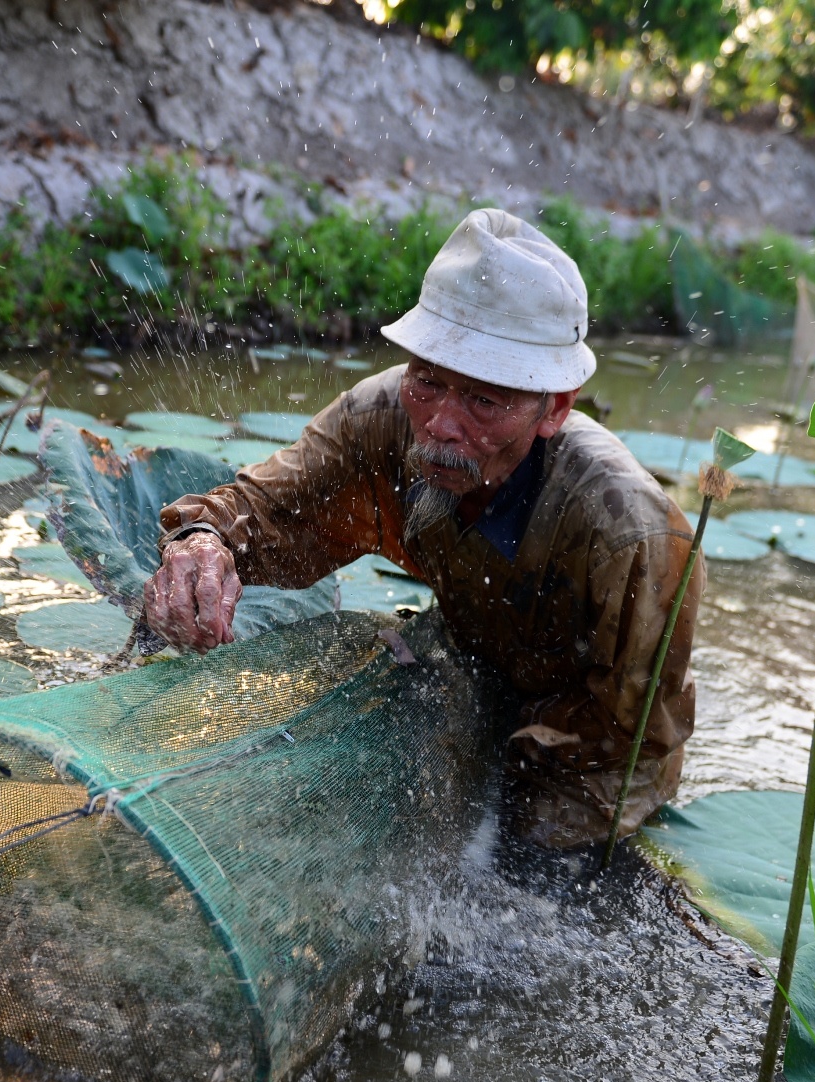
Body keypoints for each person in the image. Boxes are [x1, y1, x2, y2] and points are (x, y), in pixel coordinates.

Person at [145, 208, 703, 862]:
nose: (440, 423)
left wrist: (502, 790)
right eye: (428, 381)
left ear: (556, 406)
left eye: (484, 402)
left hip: (585, 745)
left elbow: (634, 733)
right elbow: (265, 511)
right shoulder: (380, 418)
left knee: (529, 858)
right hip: (467, 661)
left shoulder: (632, 535)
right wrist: (203, 545)